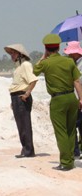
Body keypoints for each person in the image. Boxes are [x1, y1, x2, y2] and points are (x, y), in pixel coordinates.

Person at [33, 34, 82, 171]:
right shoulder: (69, 62)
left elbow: (33, 72)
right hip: (72, 98)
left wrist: (43, 56)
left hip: (58, 99)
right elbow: (77, 82)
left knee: (61, 131)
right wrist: (81, 99)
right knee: (71, 130)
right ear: (59, 47)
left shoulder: (46, 63)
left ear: (46, 48)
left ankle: (66, 162)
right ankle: (71, 159)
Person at [4, 44, 38, 158]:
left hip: (22, 96)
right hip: (16, 97)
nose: (11, 56)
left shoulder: (26, 65)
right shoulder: (18, 67)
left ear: (20, 54)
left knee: (25, 124)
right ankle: (25, 149)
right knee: (20, 125)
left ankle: (29, 151)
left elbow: (33, 80)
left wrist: (27, 93)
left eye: (13, 53)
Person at [63, 41, 82, 159]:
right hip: (75, 99)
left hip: (79, 99)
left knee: (74, 125)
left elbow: (79, 82)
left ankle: (76, 150)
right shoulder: (75, 64)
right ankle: (76, 150)